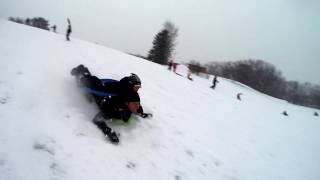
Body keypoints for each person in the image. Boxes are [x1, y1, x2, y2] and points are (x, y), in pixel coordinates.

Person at [70, 65, 151, 143]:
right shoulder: (115, 105)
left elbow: (136, 104)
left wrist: (141, 113)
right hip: (103, 96)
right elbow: (97, 120)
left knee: (93, 82)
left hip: (111, 94)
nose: (137, 89)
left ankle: (84, 71)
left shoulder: (132, 94)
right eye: (137, 86)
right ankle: (81, 71)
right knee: (87, 83)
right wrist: (109, 132)